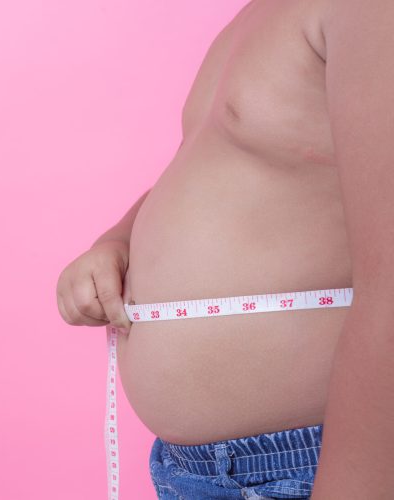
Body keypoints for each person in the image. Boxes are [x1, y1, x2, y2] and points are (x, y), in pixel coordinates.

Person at [55, 0, 394, 498]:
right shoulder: (253, 17)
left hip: (315, 467)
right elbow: (215, 167)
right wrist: (120, 240)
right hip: (193, 472)